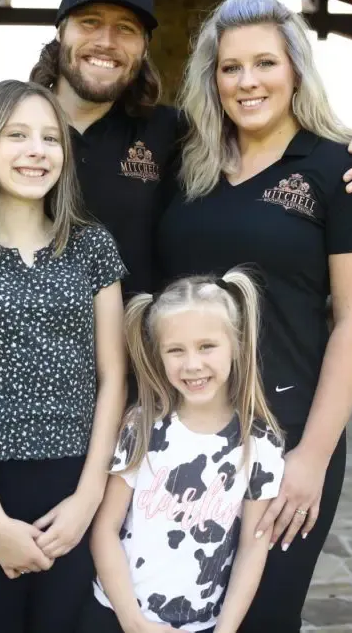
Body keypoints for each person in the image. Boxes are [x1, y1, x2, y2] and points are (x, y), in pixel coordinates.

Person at [0, 0, 352, 339]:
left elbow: (270, 134)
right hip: (18, 384)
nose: (106, 41)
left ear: (144, 47)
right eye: (89, 22)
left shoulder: (176, 135)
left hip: (141, 385)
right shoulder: (1, 133)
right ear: (60, 30)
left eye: (127, 29)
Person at [155, 0, 352, 632]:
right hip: (179, 434)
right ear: (213, 78)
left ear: (295, 70)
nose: (247, 81)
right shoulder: (186, 163)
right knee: (168, 611)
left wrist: (312, 456)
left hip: (286, 437)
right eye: (230, 67)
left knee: (260, 616)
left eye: (265, 63)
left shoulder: (341, 169)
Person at [0, 79, 128, 633]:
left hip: (77, 485)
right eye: (17, 135)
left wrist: (89, 498)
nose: (37, 150)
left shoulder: (92, 247)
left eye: (50, 138)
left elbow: (113, 378)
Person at [79, 269, 286, 633]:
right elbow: (105, 529)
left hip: (202, 626)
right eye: (176, 350)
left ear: (236, 345)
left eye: (207, 346)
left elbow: (253, 549)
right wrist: (133, 622)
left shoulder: (259, 443)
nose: (192, 364)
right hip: (117, 617)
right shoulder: (141, 427)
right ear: (158, 355)